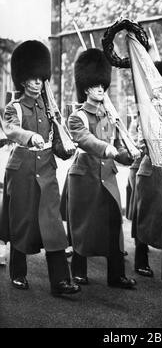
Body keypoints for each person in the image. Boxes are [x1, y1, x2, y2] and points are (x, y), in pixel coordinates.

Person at [0, 40, 80, 296]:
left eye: (40, 78)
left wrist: (65, 142)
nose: (37, 82)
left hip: (46, 168)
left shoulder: (49, 108)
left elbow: (57, 137)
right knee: (22, 222)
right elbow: (11, 129)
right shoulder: (14, 107)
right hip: (22, 169)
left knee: (53, 223)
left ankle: (60, 281)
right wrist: (28, 137)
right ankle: (18, 272)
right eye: (32, 78)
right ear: (23, 80)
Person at [63, 48, 137, 289]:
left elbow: (118, 148)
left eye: (102, 85)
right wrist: (110, 150)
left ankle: (116, 275)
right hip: (84, 175)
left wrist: (132, 155)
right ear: (86, 88)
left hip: (107, 175)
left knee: (114, 223)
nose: (100, 89)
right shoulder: (78, 116)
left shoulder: (110, 116)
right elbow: (85, 140)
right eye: (95, 85)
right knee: (83, 224)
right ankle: (79, 270)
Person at [131, 61, 162, 277]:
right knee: (146, 217)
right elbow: (141, 141)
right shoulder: (145, 112)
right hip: (150, 171)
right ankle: (140, 260)